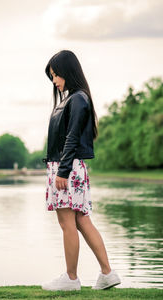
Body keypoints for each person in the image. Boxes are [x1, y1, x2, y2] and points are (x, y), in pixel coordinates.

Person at [41, 50, 121, 291]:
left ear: (68, 71)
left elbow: (72, 137)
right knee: (82, 220)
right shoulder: (75, 98)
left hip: (68, 166)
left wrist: (62, 171)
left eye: (56, 75)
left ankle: (71, 278)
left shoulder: (77, 98)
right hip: (69, 165)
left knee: (68, 223)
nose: (54, 81)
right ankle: (107, 274)